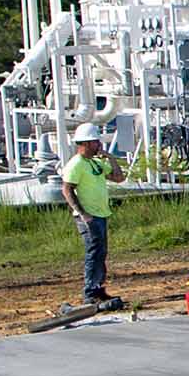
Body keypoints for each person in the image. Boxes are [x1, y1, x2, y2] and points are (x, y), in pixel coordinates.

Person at [61, 124, 117, 303]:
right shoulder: (76, 164)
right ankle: (90, 292)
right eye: (94, 141)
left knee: (101, 252)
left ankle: (98, 287)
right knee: (93, 252)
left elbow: (118, 177)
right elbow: (67, 190)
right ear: (84, 143)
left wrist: (110, 157)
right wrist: (82, 214)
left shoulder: (95, 162)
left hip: (101, 214)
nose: (98, 145)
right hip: (88, 217)